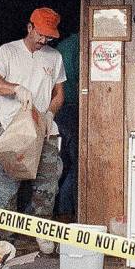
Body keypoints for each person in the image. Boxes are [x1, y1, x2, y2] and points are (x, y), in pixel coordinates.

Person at [0, 7, 66, 251]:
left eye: (49, 37)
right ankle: (4, 240)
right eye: (40, 34)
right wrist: (16, 89)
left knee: (47, 184)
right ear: (29, 27)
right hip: (13, 130)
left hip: (44, 131)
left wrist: (50, 114)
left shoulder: (54, 57)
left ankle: (43, 233)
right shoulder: (8, 51)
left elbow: (59, 93)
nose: (44, 40)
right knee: (4, 186)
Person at [55, 29, 79, 218]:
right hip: (74, 110)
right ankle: (65, 212)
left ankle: (55, 212)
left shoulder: (60, 48)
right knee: (75, 165)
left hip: (57, 112)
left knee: (60, 163)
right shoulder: (82, 45)